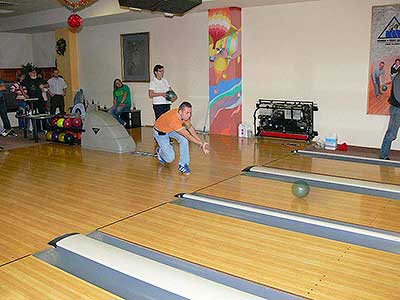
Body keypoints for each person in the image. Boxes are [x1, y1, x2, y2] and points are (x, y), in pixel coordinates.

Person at [153, 101, 209, 175]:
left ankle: (183, 165)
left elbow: (190, 128)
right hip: (160, 132)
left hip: (171, 129)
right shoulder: (173, 119)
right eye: (187, 113)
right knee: (170, 159)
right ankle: (160, 152)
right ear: (180, 112)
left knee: (184, 140)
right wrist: (200, 144)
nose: (189, 115)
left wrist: (201, 143)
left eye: (190, 113)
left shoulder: (183, 115)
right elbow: (188, 135)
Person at [380, 72, 400, 160]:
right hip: (397, 109)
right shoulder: (398, 78)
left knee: (391, 134)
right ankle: (383, 156)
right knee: (391, 134)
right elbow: (398, 95)